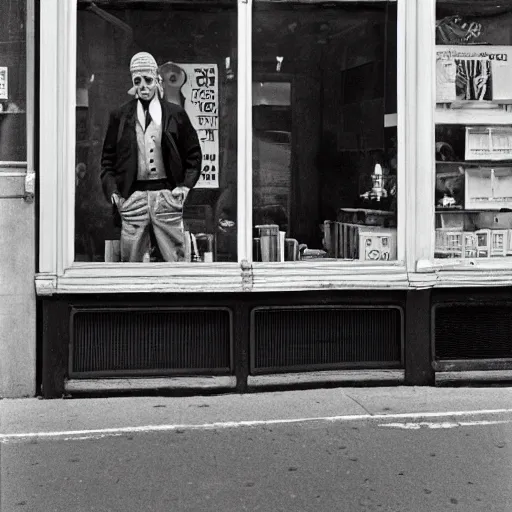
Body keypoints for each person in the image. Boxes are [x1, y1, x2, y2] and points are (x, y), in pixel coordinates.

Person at [100, 52, 202, 262]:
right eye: (138, 81)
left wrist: (184, 187)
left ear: (157, 79)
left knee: (175, 261)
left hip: (167, 195)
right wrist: (115, 195)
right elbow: (107, 160)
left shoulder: (175, 114)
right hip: (133, 197)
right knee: (132, 263)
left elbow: (193, 154)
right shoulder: (120, 116)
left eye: (147, 80)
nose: (143, 86)